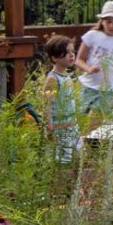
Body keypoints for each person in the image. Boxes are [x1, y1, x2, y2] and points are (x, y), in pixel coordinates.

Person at [43, 35, 81, 163]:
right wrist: (50, 128)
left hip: (72, 127)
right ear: (54, 57)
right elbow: (46, 105)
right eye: (66, 53)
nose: (71, 55)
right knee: (63, 164)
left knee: (78, 159)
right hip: (61, 130)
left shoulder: (66, 76)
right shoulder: (53, 79)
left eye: (72, 51)